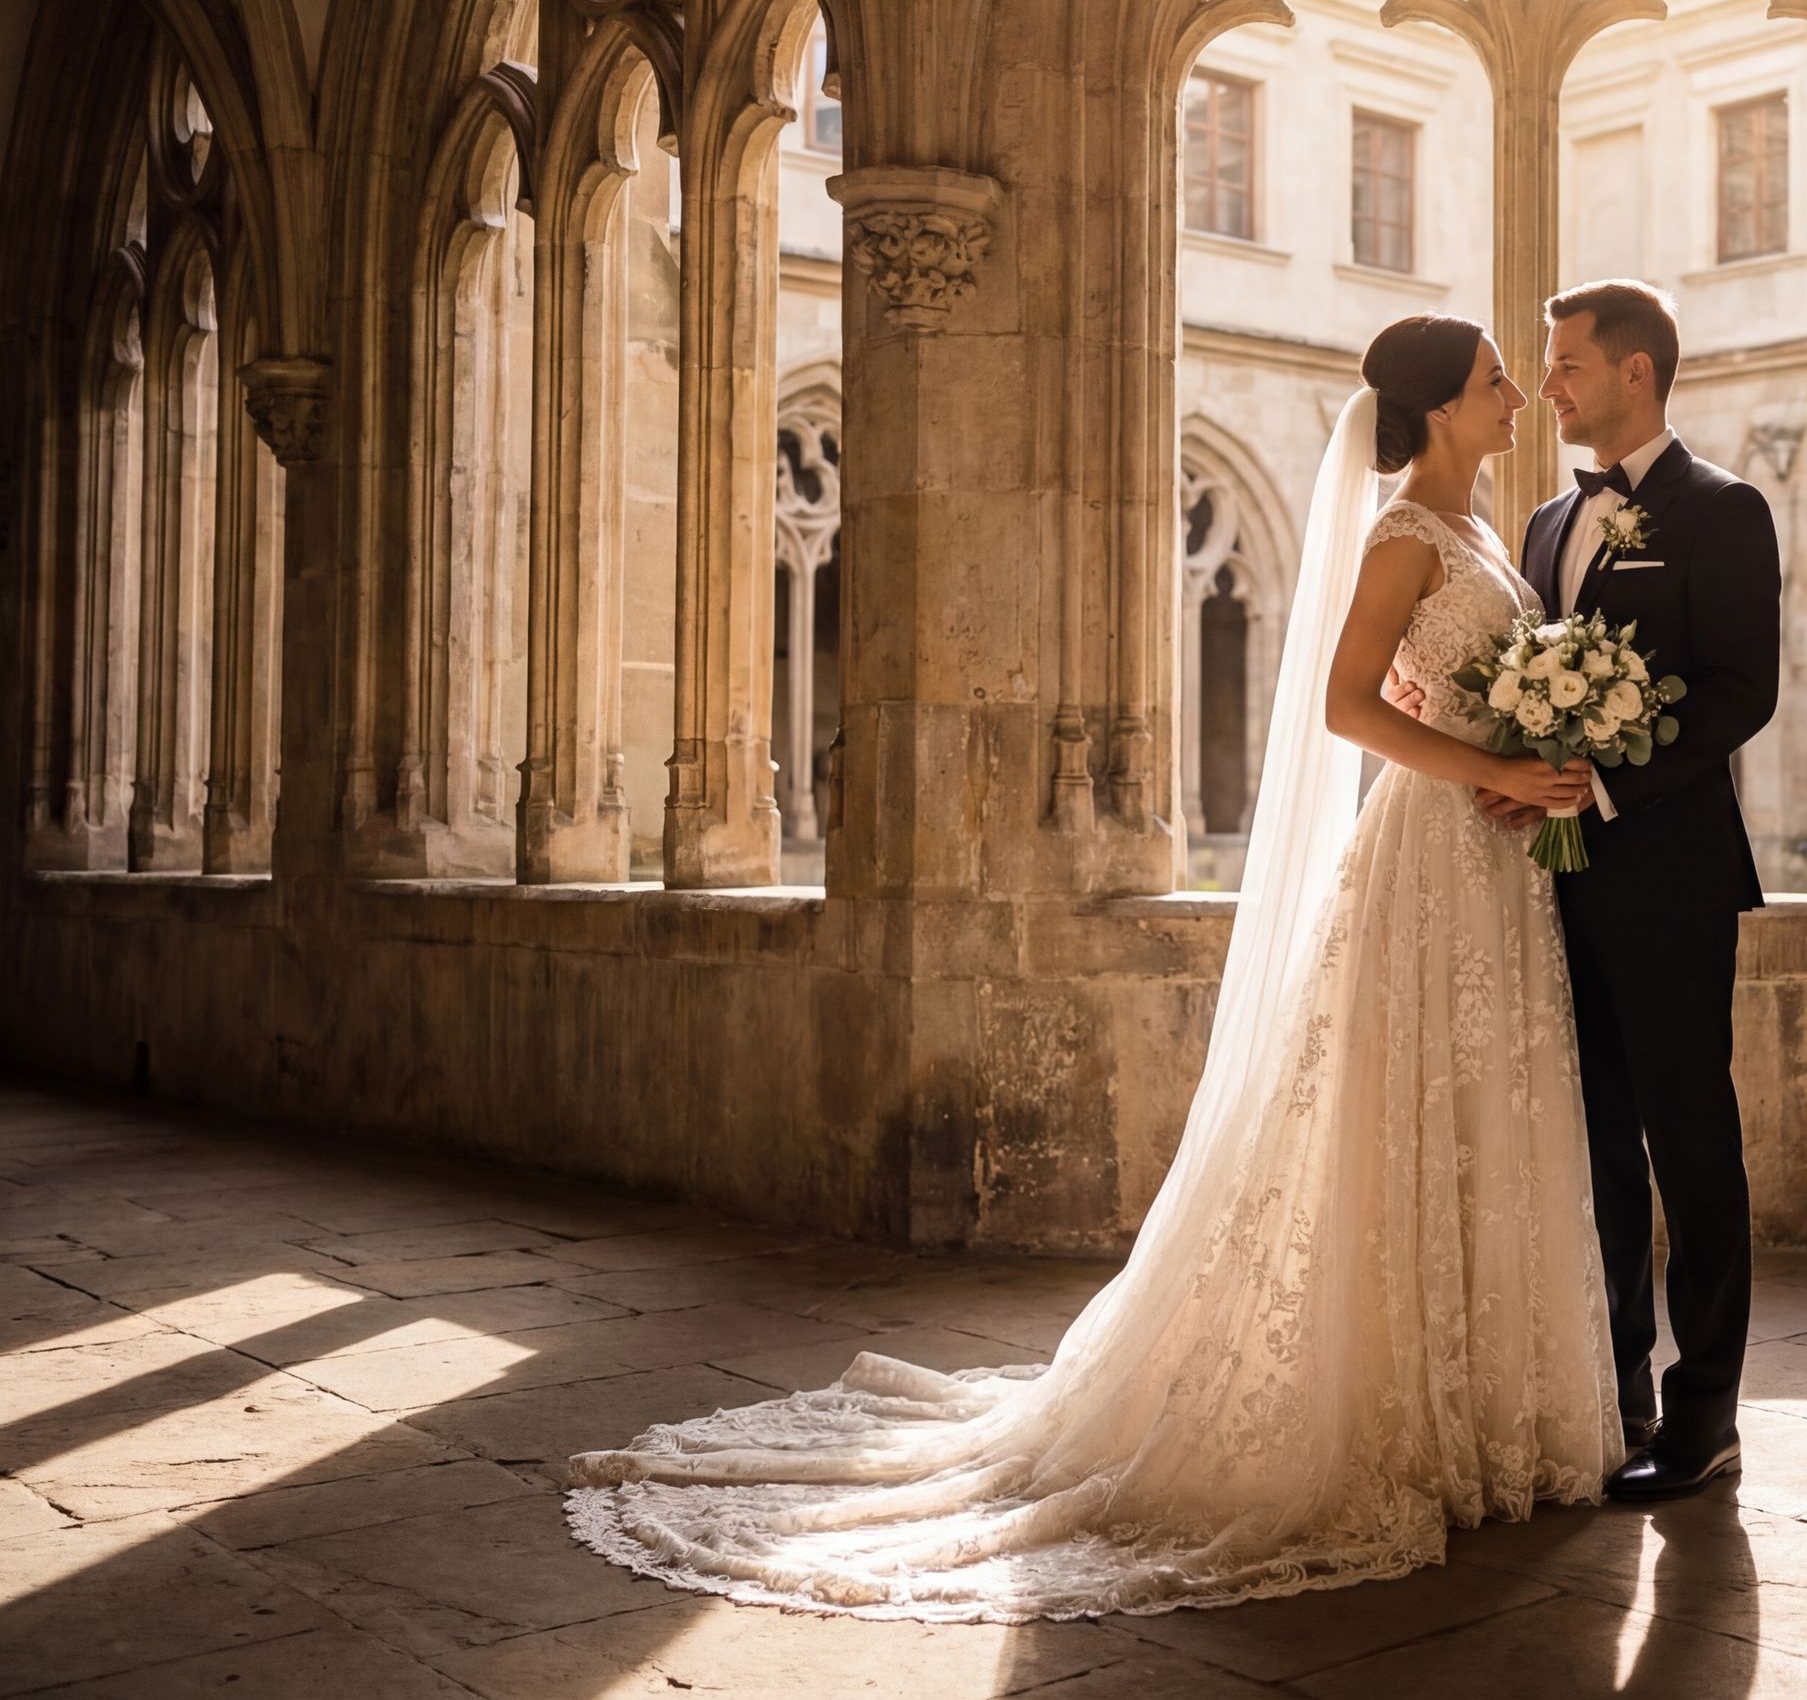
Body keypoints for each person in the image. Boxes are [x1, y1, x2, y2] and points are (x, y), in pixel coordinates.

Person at [563, 315, 1622, 1622]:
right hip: (1427, 860)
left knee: (1487, 1113)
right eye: (1494, 378)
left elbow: (1475, 698)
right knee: (1404, 1115)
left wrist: (1540, 767)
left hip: (1498, 869)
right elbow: (1353, 709)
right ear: (1442, 408)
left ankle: (1490, 1414)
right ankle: (1408, 1411)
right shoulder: (1403, 535)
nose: (1519, 392)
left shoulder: (1479, 535)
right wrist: (1497, 769)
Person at [1500, 279, 1779, 1503]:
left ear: (1637, 374)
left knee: (1688, 1137)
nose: (1548, 385)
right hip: (1550, 883)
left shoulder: (1724, 510)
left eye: (1565, 364)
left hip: (1667, 874)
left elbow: (1737, 692)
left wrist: (1602, 786)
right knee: (1596, 1140)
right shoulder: (1542, 524)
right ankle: (1611, 1392)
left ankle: (1703, 1412)